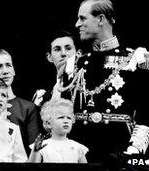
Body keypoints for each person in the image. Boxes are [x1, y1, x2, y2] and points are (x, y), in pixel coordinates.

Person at [63, 0, 149, 164]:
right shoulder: (75, 63)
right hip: (79, 152)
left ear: (101, 19)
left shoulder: (135, 60)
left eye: (82, 18)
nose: (77, 24)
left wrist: (134, 150)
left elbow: (147, 111)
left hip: (120, 151)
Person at [0, 48, 40, 155]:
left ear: (13, 70)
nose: (5, 71)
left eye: (8, 65)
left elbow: (34, 151)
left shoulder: (28, 108)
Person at [28, 98, 88, 163]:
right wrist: (35, 151)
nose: (66, 121)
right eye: (61, 117)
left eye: (69, 118)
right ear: (49, 124)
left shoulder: (78, 147)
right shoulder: (42, 146)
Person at [32, 29, 81, 107]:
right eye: (57, 49)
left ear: (79, 53)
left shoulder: (87, 89)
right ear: (49, 57)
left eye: (68, 48)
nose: (63, 54)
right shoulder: (43, 98)